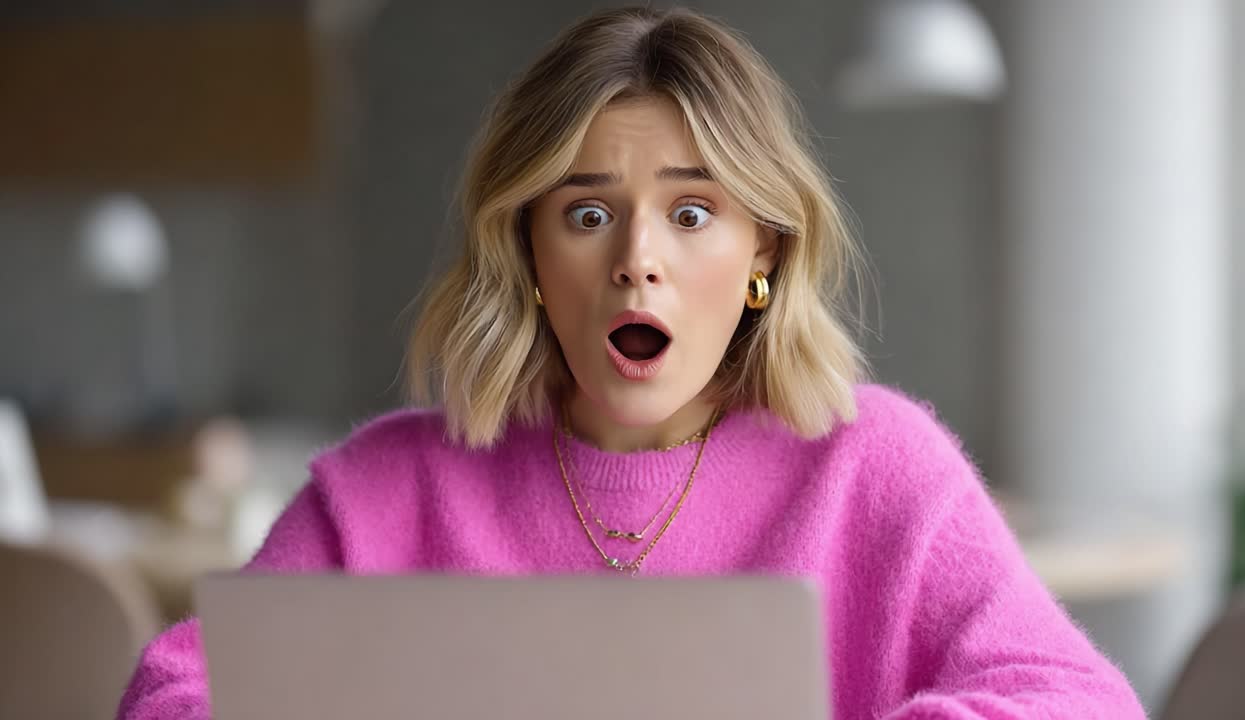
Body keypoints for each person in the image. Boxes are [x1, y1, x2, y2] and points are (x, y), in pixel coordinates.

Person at [118, 7, 1145, 719]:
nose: (636, 262)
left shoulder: (875, 467)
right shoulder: (382, 491)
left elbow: (1078, 701)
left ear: (761, 259)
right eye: (587, 213)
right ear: (526, 253)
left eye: (692, 213)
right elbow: (175, 693)